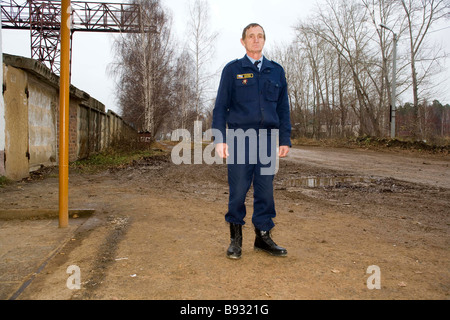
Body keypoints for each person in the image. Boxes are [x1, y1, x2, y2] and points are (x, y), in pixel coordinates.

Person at [212, 23, 291, 259]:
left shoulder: (276, 71)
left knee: (265, 192)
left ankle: (263, 237)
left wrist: (284, 138)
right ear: (243, 41)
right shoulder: (232, 70)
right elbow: (220, 108)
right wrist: (220, 138)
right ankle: (236, 240)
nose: (255, 40)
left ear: (264, 40)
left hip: (268, 139)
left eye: (259, 36)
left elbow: (283, 108)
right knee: (238, 190)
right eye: (251, 36)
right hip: (239, 139)